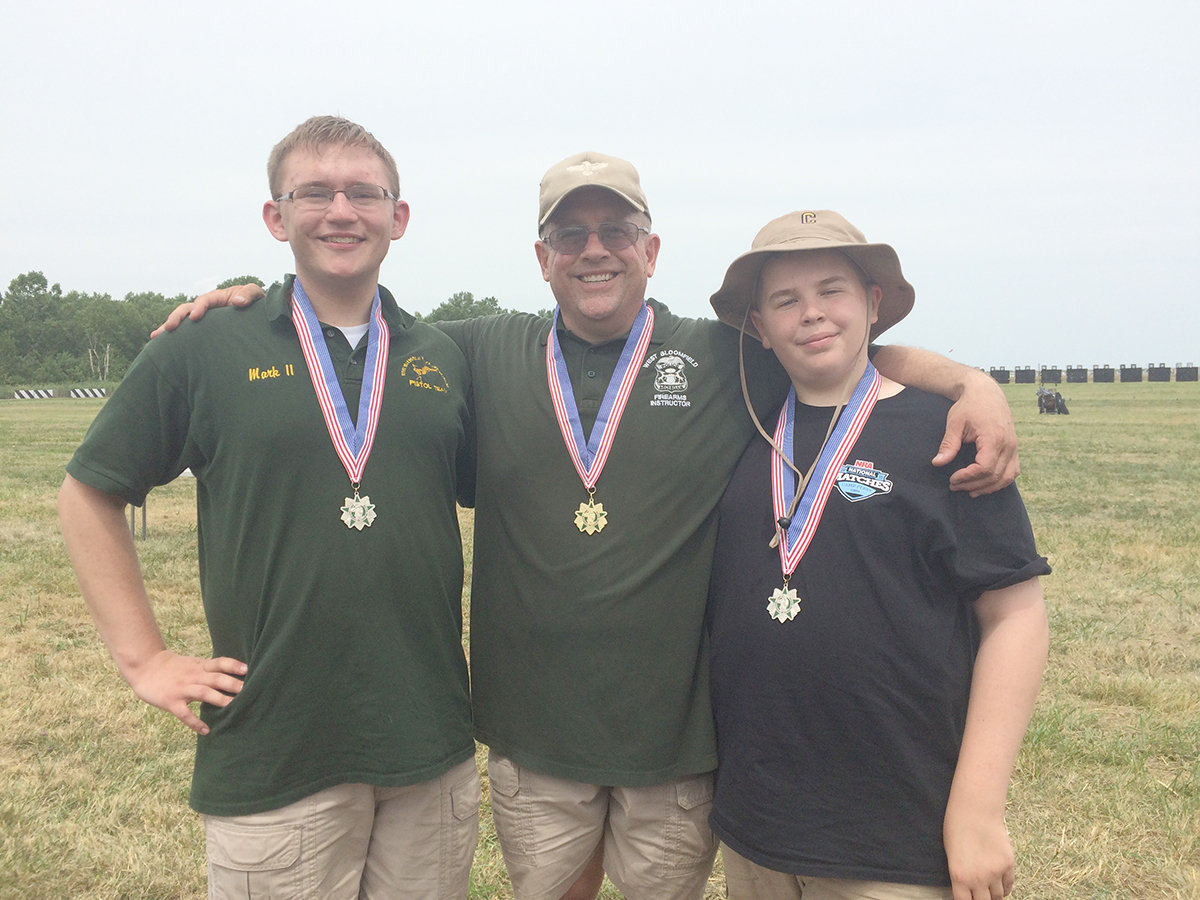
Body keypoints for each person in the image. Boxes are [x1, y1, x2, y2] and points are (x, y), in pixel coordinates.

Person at [158, 153, 1021, 900]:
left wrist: (967, 382)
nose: (595, 249)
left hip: (677, 744)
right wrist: (244, 306)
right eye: (570, 235)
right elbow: (349, 328)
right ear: (542, 258)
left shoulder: (724, 356)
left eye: (617, 230)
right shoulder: (479, 351)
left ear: (651, 249)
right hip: (538, 740)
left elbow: (842, 353)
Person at [58, 116, 480, 900]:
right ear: (275, 217)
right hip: (276, 752)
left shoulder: (443, 355)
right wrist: (145, 659)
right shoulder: (207, 343)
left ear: (400, 216)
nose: (341, 210)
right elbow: (88, 492)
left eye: (364, 192)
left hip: (430, 749)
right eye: (313, 192)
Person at [705, 210, 1050, 900]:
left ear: (873, 303)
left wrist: (978, 810)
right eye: (785, 300)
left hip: (893, 834)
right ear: (759, 328)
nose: (811, 314)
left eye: (832, 290)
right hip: (756, 824)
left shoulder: (944, 435)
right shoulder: (738, 420)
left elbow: (1015, 618)